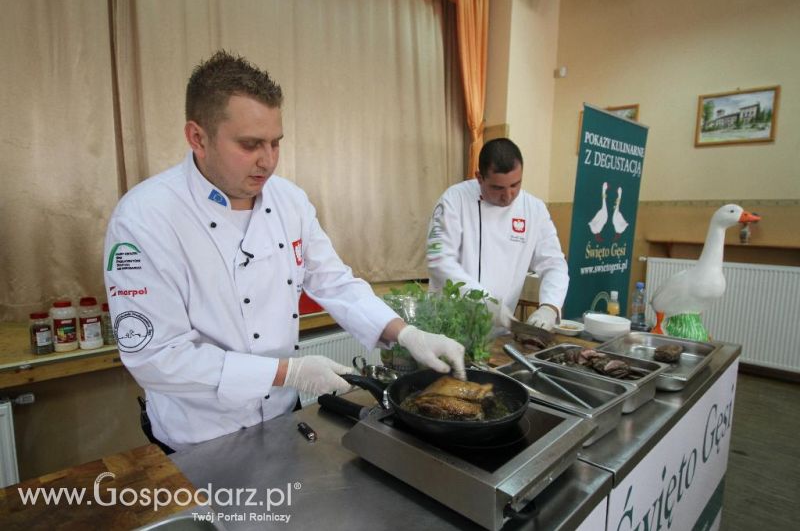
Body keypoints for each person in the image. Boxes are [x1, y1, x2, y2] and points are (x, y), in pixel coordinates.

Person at [104, 50, 465, 451]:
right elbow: (155, 359)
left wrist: (406, 333)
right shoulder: (144, 218)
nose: (268, 161)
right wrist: (288, 372)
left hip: (281, 419)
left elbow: (335, 283)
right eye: (250, 144)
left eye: (276, 143)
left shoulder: (289, 200)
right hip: (198, 437)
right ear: (197, 137)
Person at [426, 138, 569, 332]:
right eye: (498, 188)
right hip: (448, 327)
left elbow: (554, 264)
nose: (508, 195)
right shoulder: (454, 200)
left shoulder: (534, 209)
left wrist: (550, 307)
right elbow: (439, 261)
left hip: (499, 332)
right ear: (479, 177)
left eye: (515, 185)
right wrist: (485, 302)